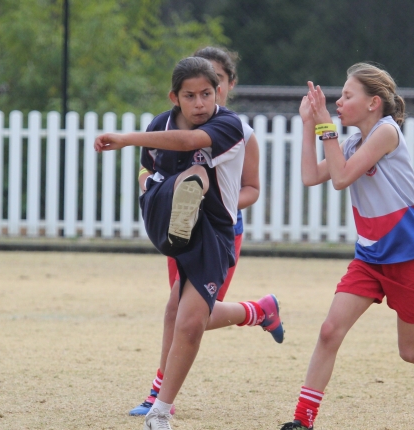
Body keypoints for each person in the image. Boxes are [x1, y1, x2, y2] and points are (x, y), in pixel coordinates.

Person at [278, 64, 414, 430]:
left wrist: (323, 125)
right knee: (329, 331)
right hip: (369, 257)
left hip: (410, 257)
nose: (338, 101)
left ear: (373, 103)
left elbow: (342, 178)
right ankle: (302, 421)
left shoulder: (386, 132)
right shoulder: (350, 143)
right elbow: (310, 176)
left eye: (348, 95)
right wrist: (308, 123)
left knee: (410, 350)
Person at [94, 56, 268, 430]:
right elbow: (148, 165)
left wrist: (124, 138)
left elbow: (189, 142)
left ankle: (160, 411)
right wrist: (147, 186)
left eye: (207, 93)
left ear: (219, 91)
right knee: (189, 175)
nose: (200, 103)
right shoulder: (160, 124)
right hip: (162, 212)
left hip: (212, 233)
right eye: (190, 96)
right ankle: (181, 209)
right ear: (175, 97)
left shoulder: (230, 125)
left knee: (188, 321)